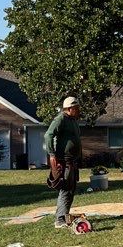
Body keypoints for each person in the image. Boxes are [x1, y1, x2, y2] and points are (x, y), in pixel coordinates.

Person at [45, 96, 82, 228]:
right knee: (65, 188)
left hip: (72, 161)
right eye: (76, 108)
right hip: (64, 160)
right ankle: (59, 219)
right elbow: (48, 135)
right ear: (69, 108)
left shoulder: (73, 120)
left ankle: (65, 216)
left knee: (71, 189)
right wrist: (52, 154)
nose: (78, 110)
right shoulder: (60, 119)